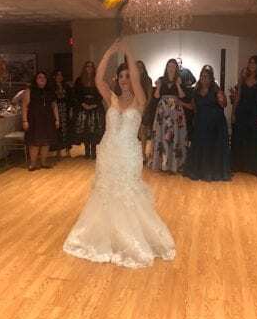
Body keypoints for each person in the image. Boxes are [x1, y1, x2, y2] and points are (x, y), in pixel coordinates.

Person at [63, 39, 175, 269]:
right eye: (121, 77)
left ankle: (130, 239)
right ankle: (107, 236)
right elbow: (97, 79)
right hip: (108, 152)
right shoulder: (112, 99)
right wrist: (109, 52)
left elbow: (136, 78)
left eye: (128, 77)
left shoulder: (140, 101)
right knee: (106, 192)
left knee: (126, 192)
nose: (125, 81)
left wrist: (128, 54)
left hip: (128, 154)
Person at [183, 65, 231, 181]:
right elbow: (193, 107)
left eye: (207, 76)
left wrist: (222, 98)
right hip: (201, 123)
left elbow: (224, 105)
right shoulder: (196, 91)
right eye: (202, 76)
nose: (204, 79)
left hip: (216, 125)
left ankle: (212, 172)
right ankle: (201, 170)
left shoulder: (216, 90)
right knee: (201, 147)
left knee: (213, 148)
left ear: (211, 78)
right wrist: (180, 103)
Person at [231, 56, 257, 177]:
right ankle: (239, 165)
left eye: (254, 63)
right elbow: (237, 96)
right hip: (242, 111)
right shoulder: (243, 78)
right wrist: (233, 112)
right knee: (240, 137)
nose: (251, 64)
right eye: (250, 62)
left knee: (254, 139)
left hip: (254, 112)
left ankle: (254, 167)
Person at [152, 59, 187, 173]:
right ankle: (163, 164)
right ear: (166, 67)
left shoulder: (179, 80)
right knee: (162, 136)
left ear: (176, 68)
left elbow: (182, 96)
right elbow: (156, 96)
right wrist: (158, 87)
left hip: (175, 111)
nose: (171, 68)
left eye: (173, 66)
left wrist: (178, 85)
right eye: (169, 66)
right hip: (163, 111)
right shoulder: (161, 80)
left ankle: (174, 165)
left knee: (176, 136)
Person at [22, 72, 59, 171]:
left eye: (44, 77)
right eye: (39, 77)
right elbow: (25, 106)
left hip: (48, 118)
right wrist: (25, 120)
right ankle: (33, 163)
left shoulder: (50, 91)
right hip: (34, 119)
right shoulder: (29, 91)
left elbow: (54, 106)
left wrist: (57, 119)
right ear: (35, 79)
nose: (42, 79)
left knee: (46, 141)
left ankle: (43, 162)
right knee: (34, 142)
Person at [71, 61, 105, 159]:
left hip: (95, 108)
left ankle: (93, 152)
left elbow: (101, 94)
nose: (89, 68)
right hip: (83, 108)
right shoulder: (79, 80)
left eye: (91, 66)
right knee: (85, 130)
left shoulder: (98, 80)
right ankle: (87, 152)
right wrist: (83, 104)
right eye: (87, 66)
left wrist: (94, 104)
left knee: (94, 130)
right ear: (84, 68)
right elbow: (76, 94)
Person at [50, 70, 72, 158]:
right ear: (54, 76)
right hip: (55, 110)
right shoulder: (51, 87)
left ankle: (66, 149)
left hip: (65, 110)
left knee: (66, 128)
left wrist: (70, 109)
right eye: (58, 75)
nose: (60, 76)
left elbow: (70, 98)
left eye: (61, 75)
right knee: (56, 129)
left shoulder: (66, 86)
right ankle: (57, 149)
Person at [136, 60, 153, 163]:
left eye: (140, 67)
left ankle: (143, 154)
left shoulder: (147, 80)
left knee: (143, 133)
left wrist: (144, 108)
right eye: (137, 67)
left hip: (145, 109)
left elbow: (149, 96)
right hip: (134, 108)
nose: (139, 69)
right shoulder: (132, 79)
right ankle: (136, 154)